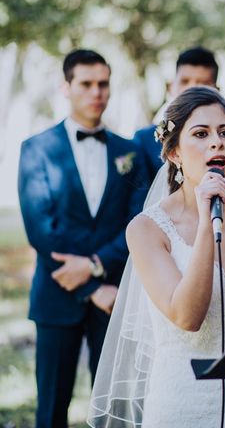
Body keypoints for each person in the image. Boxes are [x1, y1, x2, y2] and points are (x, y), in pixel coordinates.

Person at [88, 86, 225, 427]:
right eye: (201, 134)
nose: (217, 142)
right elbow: (187, 317)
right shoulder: (147, 230)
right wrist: (205, 222)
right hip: (183, 406)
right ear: (174, 154)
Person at [17, 49, 149, 428]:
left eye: (103, 84)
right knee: (51, 409)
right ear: (66, 87)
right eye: (87, 84)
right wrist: (93, 286)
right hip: (58, 296)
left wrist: (96, 267)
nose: (97, 93)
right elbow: (42, 230)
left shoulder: (130, 152)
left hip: (115, 300)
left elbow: (136, 223)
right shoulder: (36, 149)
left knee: (113, 409)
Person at [133, 46, 220, 178]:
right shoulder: (144, 140)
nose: (192, 89)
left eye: (203, 83)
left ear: (216, 90)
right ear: (171, 87)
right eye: (185, 82)